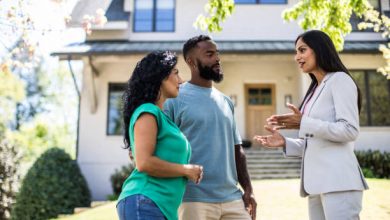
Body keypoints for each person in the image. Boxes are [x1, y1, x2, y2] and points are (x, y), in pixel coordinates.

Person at [254, 30, 369, 220]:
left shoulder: (340, 80)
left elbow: (349, 130)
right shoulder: (315, 90)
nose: (297, 57)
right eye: (296, 52)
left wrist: (304, 122)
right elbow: (317, 142)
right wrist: (285, 143)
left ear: (319, 49)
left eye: (302, 50)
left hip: (339, 183)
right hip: (316, 185)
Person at [164, 35, 257, 220]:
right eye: (209, 54)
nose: (217, 58)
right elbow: (164, 147)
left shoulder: (226, 101)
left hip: (232, 198)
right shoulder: (174, 99)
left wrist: (248, 189)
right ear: (191, 61)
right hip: (193, 199)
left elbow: (237, 149)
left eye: (217, 53)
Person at [117, 51, 204, 220]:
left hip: (158, 207)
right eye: (176, 73)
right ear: (161, 76)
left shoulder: (162, 117)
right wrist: (187, 170)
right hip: (146, 201)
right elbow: (144, 163)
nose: (181, 81)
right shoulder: (148, 112)